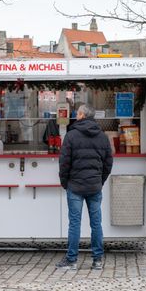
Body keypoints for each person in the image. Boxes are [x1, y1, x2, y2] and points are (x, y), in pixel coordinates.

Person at [56, 104, 113, 271]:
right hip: (94, 186)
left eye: (77, 113)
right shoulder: (102, 136)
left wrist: (65, 182)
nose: (76, 115)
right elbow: (108, 163)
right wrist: (99, 180)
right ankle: (97, 260)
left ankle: (72, 260)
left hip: (75, 186)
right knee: (96, 224)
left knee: (74, 223)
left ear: (81, 115)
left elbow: (64, 162)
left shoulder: (71, 136)